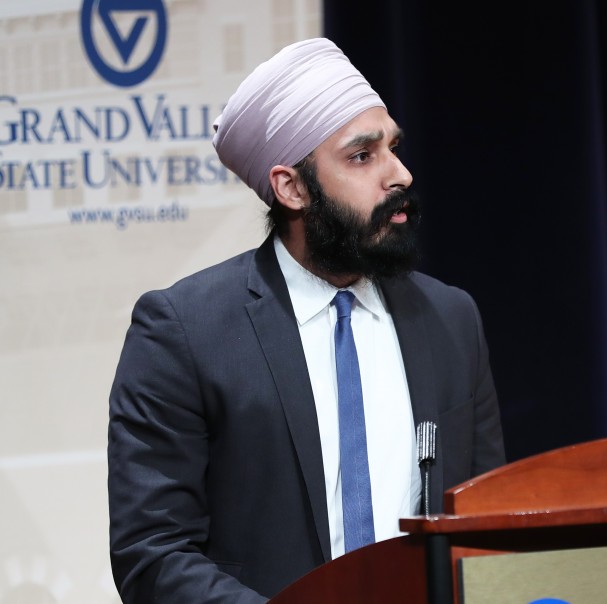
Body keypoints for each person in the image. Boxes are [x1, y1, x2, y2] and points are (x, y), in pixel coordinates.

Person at [107, 37, 506, 603]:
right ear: (291, 188)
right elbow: (151, 554)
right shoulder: (184, 332)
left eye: (394, 147)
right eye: (362, 156)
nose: (400, 175)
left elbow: (486, 524)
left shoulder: (450, 318)